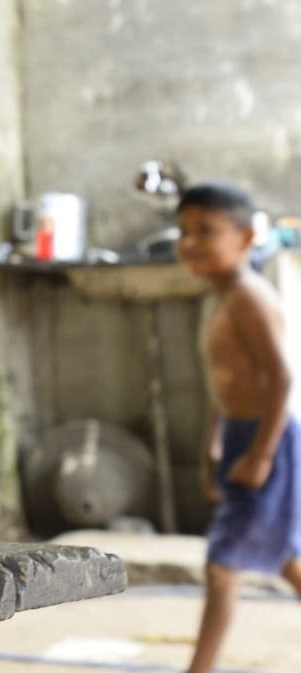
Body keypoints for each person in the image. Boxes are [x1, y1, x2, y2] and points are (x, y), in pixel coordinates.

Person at [176, 182, 301, 673]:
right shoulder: (220, 295)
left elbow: (281, 376)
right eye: (184, 231)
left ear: (247, 238)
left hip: (267, 438)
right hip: (240, 435)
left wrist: (263, 454)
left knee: (222, 563)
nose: (190, 242)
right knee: (287, 556)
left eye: (206, 231)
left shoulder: (249, 296)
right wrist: (214, 445)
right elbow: (224, 383)